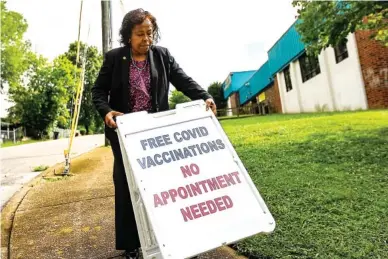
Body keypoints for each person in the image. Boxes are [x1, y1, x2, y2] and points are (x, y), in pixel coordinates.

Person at [92, 8, 216, 259]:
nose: (147, 39)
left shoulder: (162, 56)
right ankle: (131, 245)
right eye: (140, 34)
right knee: (127, 186)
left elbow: (184, 80)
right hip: (126, 133)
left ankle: (168, 234)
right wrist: (107, 111)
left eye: (150, 33)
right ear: (128, 36)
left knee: (163, 183)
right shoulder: (115, 58)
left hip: (156, 133)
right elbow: (98, 91)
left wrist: (205, 96)